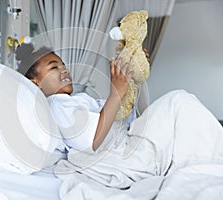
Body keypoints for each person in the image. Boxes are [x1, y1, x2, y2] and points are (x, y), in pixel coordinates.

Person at [16, 43, 223, 189]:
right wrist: (115, 93)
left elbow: (122, 116)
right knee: (178, 102)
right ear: (35, 82)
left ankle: (212, 161)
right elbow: (91, 141)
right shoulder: (58, 105)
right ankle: (214, 163)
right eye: (54, 67)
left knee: (179, 109)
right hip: (124, 159)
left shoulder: (77, 100)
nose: (64, 70)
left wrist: (132, 77)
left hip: (128, 146)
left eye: (63, 65)